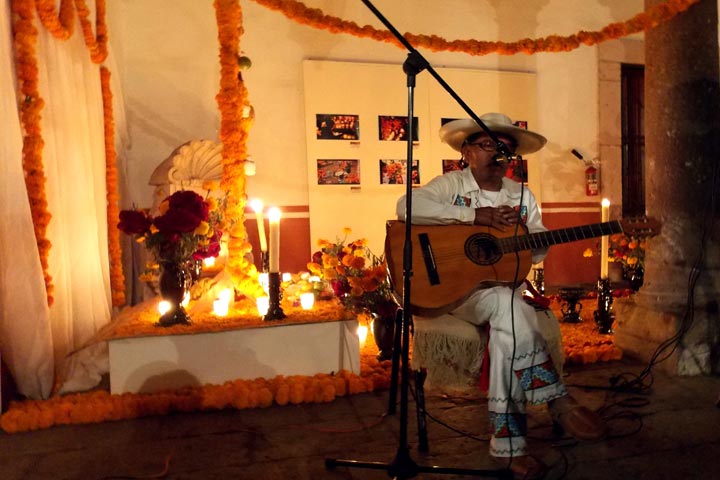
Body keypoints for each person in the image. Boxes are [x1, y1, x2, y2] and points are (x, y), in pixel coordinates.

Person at [396, 112, 606, 479]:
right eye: (488, 145)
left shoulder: (522, 194)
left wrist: (523, 238)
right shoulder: (451, 185)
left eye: (505, 149)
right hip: (456, 291)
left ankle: (510, 448)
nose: (497, 154)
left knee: (508, 319)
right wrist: (474, 217)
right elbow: (406, 207)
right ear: (466, 152)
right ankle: (555, 399)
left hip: (504, 291)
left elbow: (536, 251)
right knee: (509, 308)